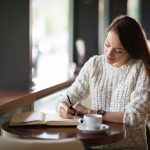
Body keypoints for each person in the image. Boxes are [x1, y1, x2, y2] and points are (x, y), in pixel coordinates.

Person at [56, 15, 150, 149]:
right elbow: (69, 96)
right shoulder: (94, 64)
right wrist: (62, 106)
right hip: (96, 146)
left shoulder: (141, 69)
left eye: (118, 51)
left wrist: (92, 112)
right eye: (107, 45)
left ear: (131, 50)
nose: (109, 54)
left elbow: (134, 117)